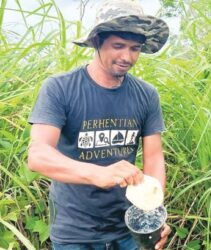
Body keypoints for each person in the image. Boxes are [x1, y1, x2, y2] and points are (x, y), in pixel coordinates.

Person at [27, 0, 171, 249]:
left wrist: (153, 213)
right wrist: (98, 173)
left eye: (135, 48)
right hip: (74, 231)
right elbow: (38, 155)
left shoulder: (146, 95)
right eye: (118, 46)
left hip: (127, 229)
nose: (127, 57)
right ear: (97, 42)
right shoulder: (60, 88)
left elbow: (154, 157)